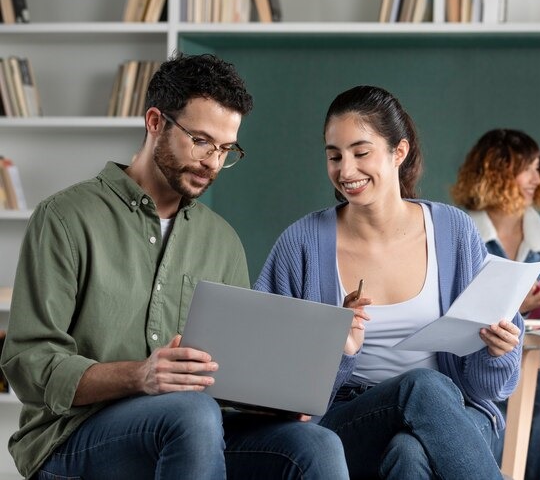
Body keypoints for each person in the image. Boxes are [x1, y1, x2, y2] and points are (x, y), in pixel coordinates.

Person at [0, 53, 349, 480]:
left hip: (191, 427)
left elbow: (227, 377)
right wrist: (140, 375)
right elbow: (29, 363)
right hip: (74, 435)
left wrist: (269, 398)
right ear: (154, 122)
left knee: (315, 444)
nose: (213, 163)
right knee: (192, 414)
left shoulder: (222, 241)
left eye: (226, 149)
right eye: (200, 141)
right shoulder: (65, 218)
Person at [253, 85, 524, 479]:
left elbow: (487, 390)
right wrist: (338, 348)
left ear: (400, 151)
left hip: (451, 414)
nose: (346, 171)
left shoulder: (453, 231)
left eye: (361, 153)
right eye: (334, 156)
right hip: (343, 422)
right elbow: (270, 381)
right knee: (421, 387)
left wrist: (497, 352)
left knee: (409, 452)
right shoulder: (302, 243)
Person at [450, 128, 540, 480]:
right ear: (495, 171)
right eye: (528, 169)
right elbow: (450, 311)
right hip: (475, 378)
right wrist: (515, 308)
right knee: (478, 433)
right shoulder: (456, 233)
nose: (537, 180)